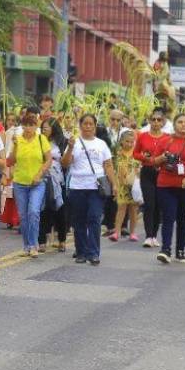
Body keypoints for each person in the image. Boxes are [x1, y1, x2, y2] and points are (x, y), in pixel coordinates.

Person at [61, 113, 117, 266]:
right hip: (77, 187)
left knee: (94, 218)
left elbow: (108, 165)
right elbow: (65, 163)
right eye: (85, 124)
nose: (87, 127)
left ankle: (93, 253)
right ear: (80, 126)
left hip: (96, 187)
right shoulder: (74, 143)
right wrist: (70, 148)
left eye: (90, 124)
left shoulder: (101, 144)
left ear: (95, 126)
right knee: (78, 221)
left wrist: (115, 184)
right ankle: (81, 252)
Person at [153, 113, 185, 264]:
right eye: (180, 122)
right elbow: (154, 162)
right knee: (168, 217)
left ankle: (180, 250)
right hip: (166, 185)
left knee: (182, 220)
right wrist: (162, 158)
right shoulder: (165, 141)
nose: (183, 125)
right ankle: (165, 250)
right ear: (174, 124)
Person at [7, 108, 53, 257]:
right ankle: (27, 245)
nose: (28, 128)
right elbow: (11, 161)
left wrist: (39, 174)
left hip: (37, 183)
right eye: (26, 125)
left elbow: (49, 160)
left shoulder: (41, 139)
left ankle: (34, 244)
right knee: (23, 215)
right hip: (20, 182)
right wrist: (14, 146)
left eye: (32, 125)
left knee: (33, 212)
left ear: (36, 126)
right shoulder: (18, 139)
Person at [134, 108, 168, 247]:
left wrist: (165, 159)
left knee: (159, 206)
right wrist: (144, 157)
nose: (155, 122)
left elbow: (172, 154)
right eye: (153, 119)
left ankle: (155, 235)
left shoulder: (167, 137)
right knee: (149, 204)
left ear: (163, 122)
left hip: (162, 173)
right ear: (149, 121)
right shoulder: (142, 136)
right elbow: (135, 153)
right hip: (147, 171)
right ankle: (148, 236)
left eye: (159, 120)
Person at [37, 117, 68, 253]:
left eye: (46, 128)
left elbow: (66, 161)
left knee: (59, 209)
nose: (43, 131)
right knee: (43, 209)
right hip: (41, 176)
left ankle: (62, 239)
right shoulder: (38, 141)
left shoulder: (62, 142)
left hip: (58, 178)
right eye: (42, 128)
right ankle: (41, 241)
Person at [110, 129, 141, 243]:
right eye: (127, 141)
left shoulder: (136, 154)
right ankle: (117, 232)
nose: (129, 144)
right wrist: (114, 184)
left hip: (133, 185)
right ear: (121, 141)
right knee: (121, 208)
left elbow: (139, 167)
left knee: (133, 209)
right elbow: (112, 169)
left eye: (131, 142)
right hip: (121, 185)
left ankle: (133, 232)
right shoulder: (117, 154)